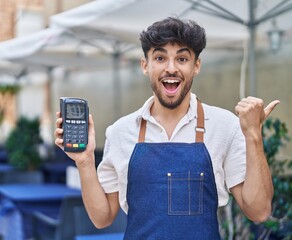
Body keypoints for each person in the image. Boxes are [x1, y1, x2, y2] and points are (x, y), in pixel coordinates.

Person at [54, 17, 279, 239]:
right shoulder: (120, 132)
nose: (171, 68)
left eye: (182, 59)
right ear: (145, 65)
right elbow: (102, 218)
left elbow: (259, 212)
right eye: (160, 58)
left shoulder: (225, 126)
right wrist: (84, 162)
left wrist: (253, 136)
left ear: (196, 66)